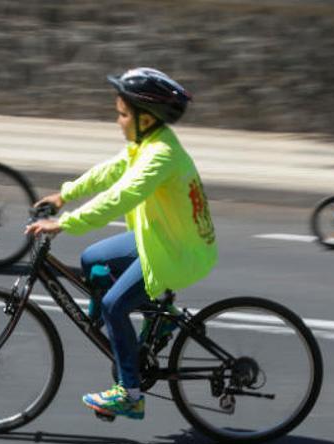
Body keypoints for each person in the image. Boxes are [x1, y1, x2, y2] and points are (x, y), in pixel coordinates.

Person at [25, 68, 218, 420]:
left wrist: (62, 223)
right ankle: (159, 321)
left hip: (180, 251)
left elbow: (120, 197)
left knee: (114, 305)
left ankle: (129, 392)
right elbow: (111, 172)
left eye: (123, 114)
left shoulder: (161, 156)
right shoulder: (146, 145)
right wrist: (63, 194)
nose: (118, 121)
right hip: (161, 236)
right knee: (91, 260)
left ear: (145, 118)